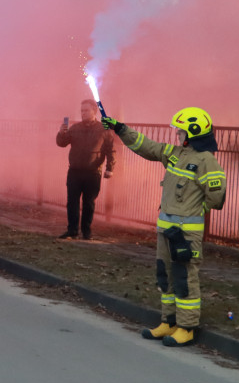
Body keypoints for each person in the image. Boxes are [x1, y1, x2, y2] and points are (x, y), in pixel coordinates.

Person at [102, 107, 227, 347]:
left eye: (180, 131)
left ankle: (187, 328)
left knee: (185, 278)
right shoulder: (175, 154)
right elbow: (146, 146)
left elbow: (216, 199)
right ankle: (168, 322)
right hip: (166, 231)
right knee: (166, 276)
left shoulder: (207, 162)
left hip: (186, 234)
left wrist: (193, 211)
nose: (177, 135)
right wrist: (120, 128)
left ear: (192, 133)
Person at [55, 99, 116, 240]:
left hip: (93, 172)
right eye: (81, 111)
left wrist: (110, 168)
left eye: (86, 110)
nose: (83, 113)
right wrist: (61, 133)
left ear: (94, 111)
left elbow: (110, 150)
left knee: (89, 203)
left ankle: (86, 231)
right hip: (75, 171)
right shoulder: (75, 128)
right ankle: (72, 230)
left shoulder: (103, 129)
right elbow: (62, 144)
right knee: (72, 202)